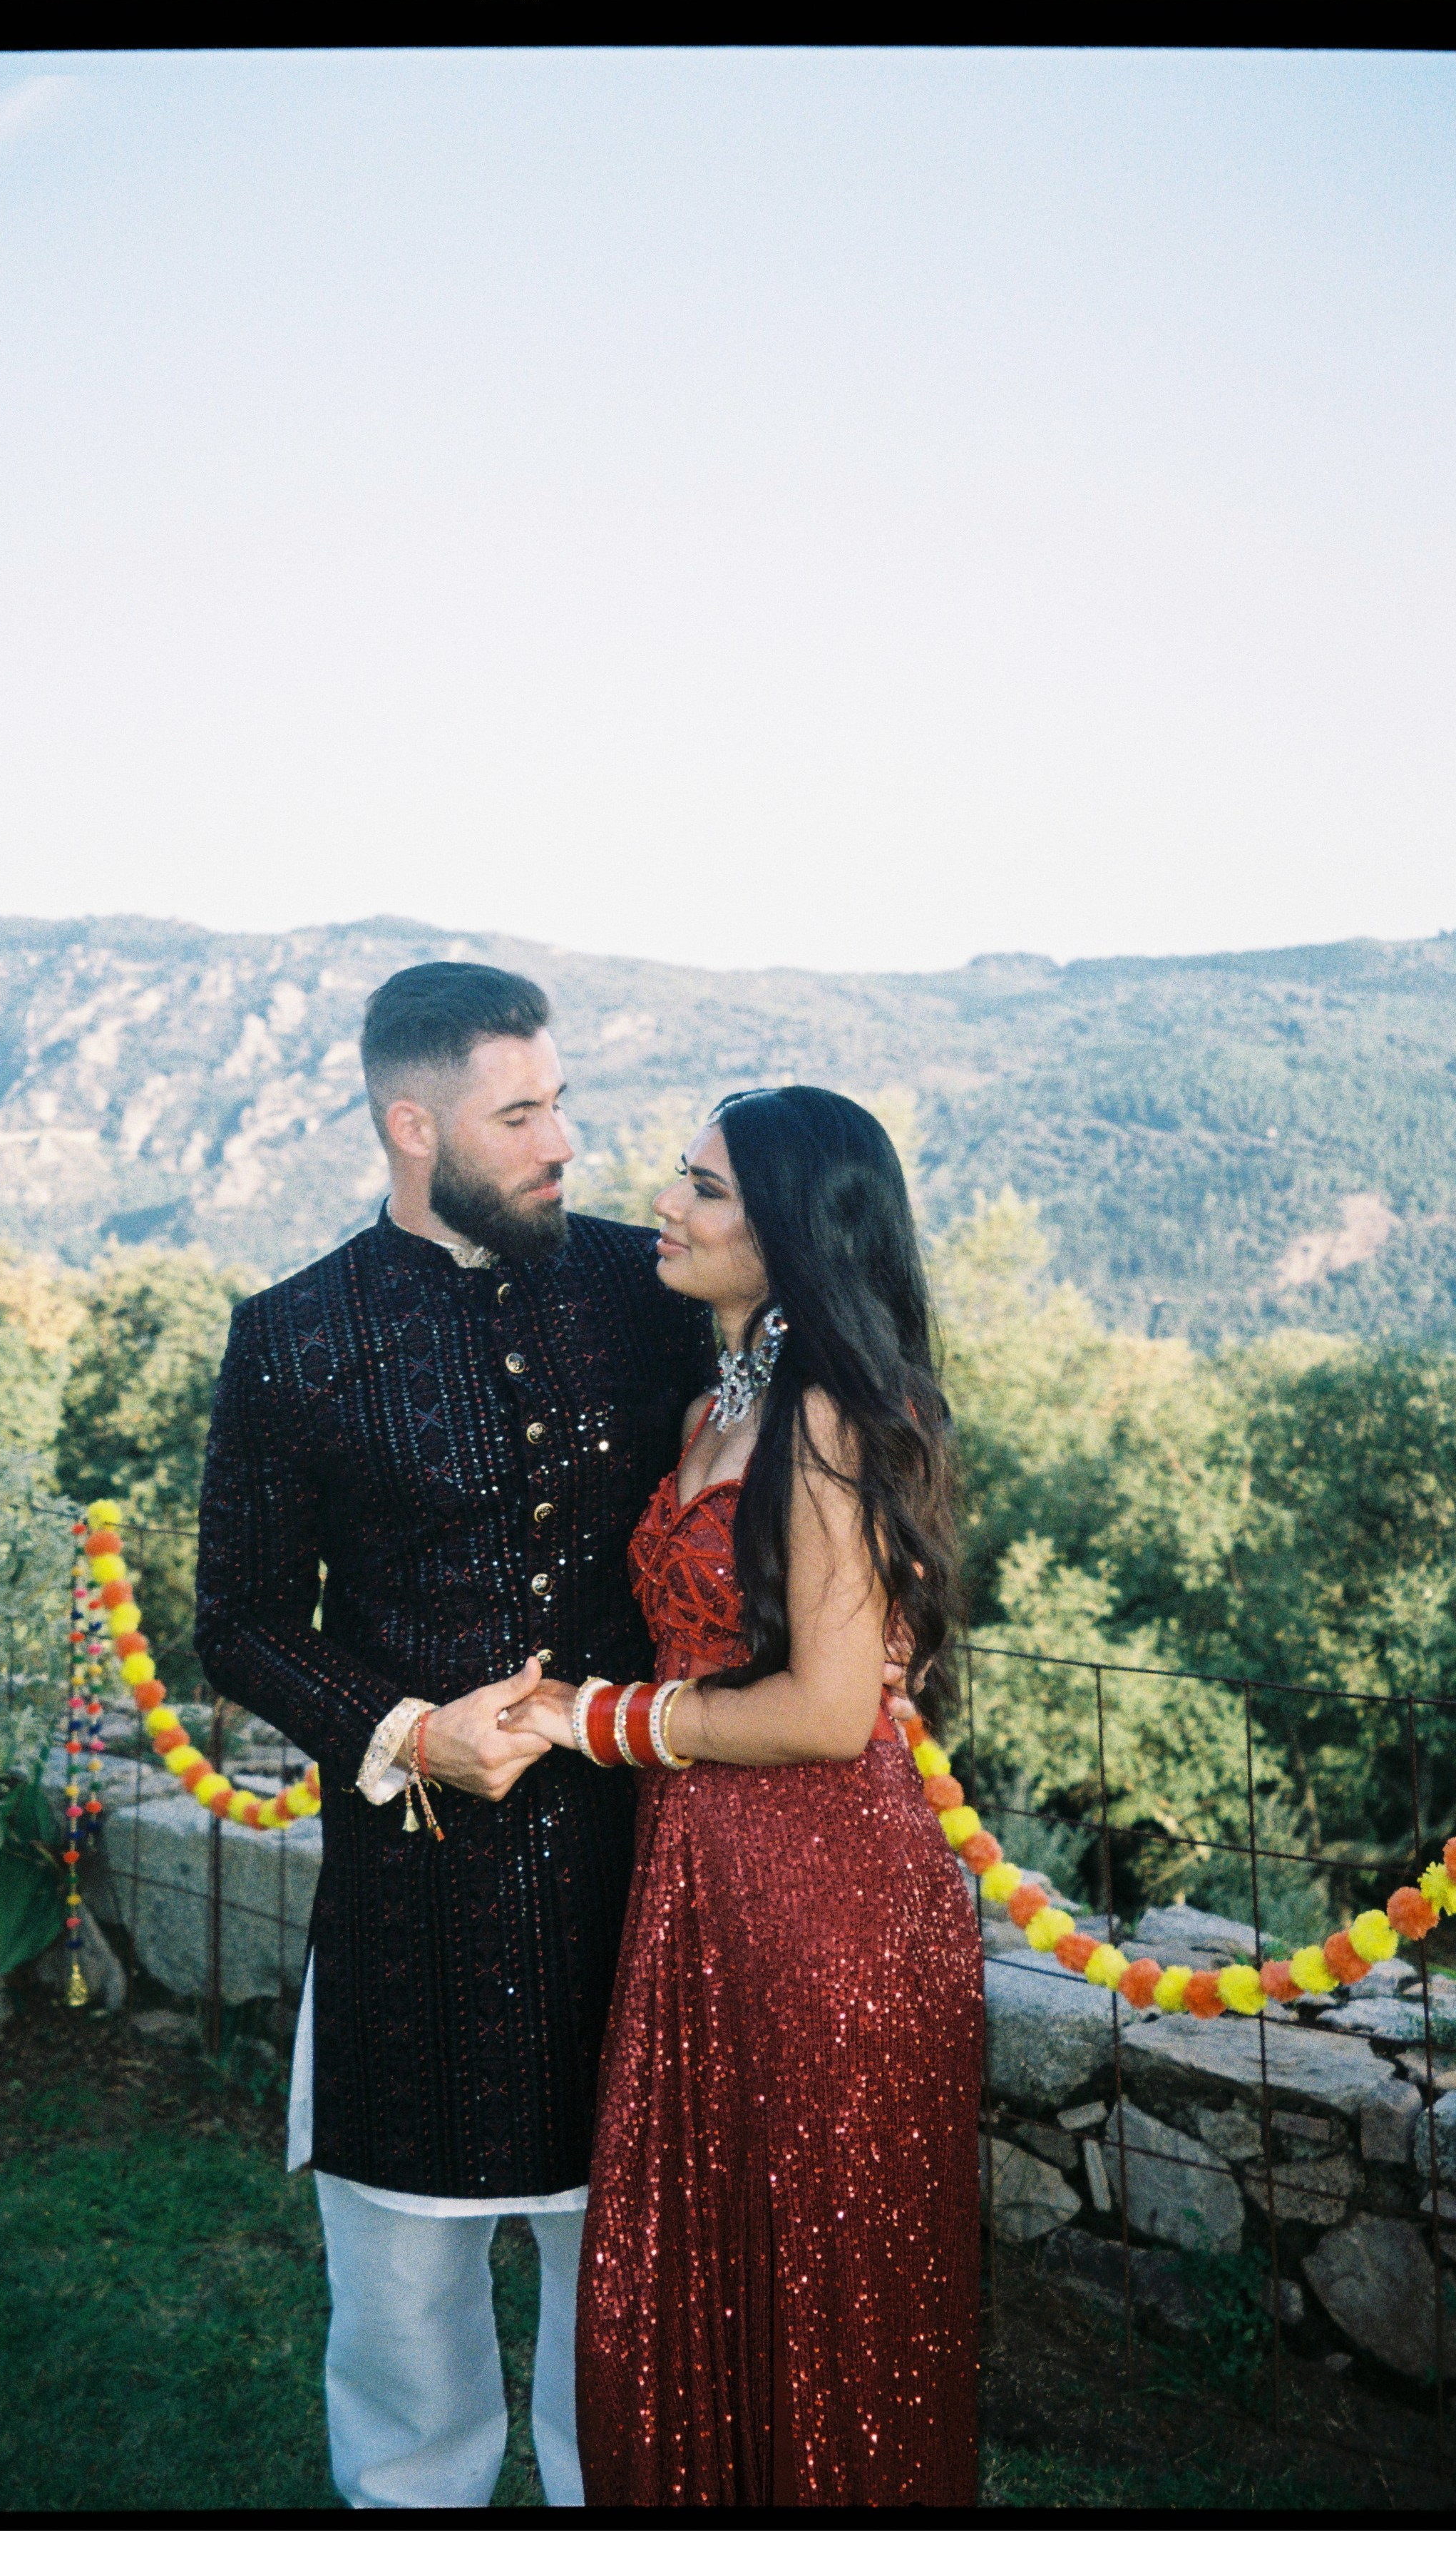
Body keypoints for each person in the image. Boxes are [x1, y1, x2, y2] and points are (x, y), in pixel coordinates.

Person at [191, 960, 717, 2509]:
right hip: (409, 1904)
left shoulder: (646, 1287)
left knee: (614, 2304)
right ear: (414, 1126)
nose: (564, 1137)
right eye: (523, 1112)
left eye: (560, 1098)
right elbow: (239, 1616)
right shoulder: (291, 1334)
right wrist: (407, 1729)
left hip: (635, 1879)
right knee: (404, 2316)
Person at [511, 1086, 985, 2507]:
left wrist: (587, 1720)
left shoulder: (833, 1412)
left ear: (787, 1233)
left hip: (825, 1903)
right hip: (701, 1874)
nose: (666, 1202)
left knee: (822, 2299)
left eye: (705, 1189)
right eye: (677, 1177)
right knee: (694, 2270)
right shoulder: (710, 1402)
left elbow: (828, 1710)